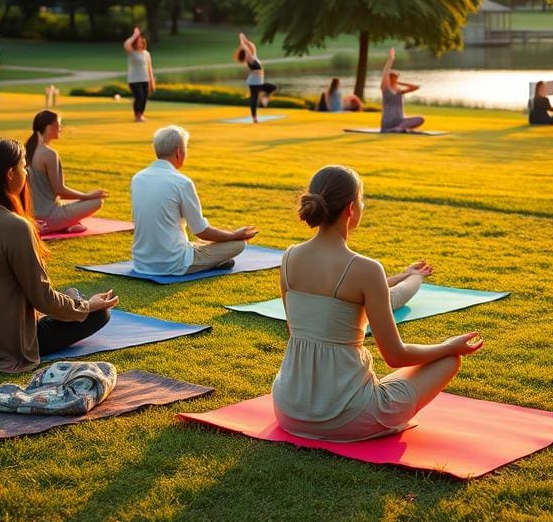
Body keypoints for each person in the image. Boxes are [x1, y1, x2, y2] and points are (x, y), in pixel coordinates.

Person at [272, 165, 483, 442]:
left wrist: (407, 276)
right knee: (447, 361)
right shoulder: (367, 269)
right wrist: (448, 346)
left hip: (289, 410)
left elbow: (296, 333)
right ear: (350, 208)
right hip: (345, 417)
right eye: (361, 199)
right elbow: (396, 356)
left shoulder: (289, 257)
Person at [0, 137, 118, 373]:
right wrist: (86, 306)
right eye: (23, 166)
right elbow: (42, 298)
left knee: (75, 301)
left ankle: (75, 298)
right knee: (100, 313)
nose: (26, 173)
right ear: (9, 173)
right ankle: (79, 299)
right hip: (7, 344)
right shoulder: (14, 226)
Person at [131, 125, 257, 276]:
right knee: (239, 245)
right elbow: (201, 231)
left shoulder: (137, 178)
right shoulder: (182, 182)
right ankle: (214, 262)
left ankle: (212, 257)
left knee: (201, 244)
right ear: (179, 152)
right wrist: (235, 235)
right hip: (172, 263)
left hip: (141, 262)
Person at [25, 109, 108, 233]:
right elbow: (60, 191)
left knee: (77, 201)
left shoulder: (25, 149)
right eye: (59, 125)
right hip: (48, 219)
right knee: (97, 201)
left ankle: (68, 224)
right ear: (50, 127)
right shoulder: (49, 154)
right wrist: (87, 196)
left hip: (30, 217)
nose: (61, 128)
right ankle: (66, 224)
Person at [236, 32, 277, 123]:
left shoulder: (254, 57)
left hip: (257, 81)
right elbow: (244, 47)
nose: (251, 48)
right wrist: (242, 37)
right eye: (250, 48)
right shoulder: (249, 59)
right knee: (254, 99)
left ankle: (264, 97)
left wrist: (246, 40)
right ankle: (255, 118)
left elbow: (250, 46)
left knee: (271, 88)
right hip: (254, 82)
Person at [380, 48, 424, 132]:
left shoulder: (399, 91)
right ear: (389, 79)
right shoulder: (385, 88)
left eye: (396, 78)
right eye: (394, 78)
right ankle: (397, 128)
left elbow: (415, 87)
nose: (395, 79)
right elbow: (385, 73)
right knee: (408, 124)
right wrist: (391, 59)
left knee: (421, 119)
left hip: (400, 120)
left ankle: (398, 128)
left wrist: (399, 83)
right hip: (388, 121)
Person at [123, 27, 156, 122]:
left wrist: (152, 81)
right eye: (138, 42)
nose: (140, 43)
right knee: (139, 97)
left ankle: (141, 115)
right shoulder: (132, 53)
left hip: (145, 79)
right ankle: (137, 116)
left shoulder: (146, 54)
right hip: (134, 80)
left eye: (141, 42)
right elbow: (126, 44)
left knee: (144, 98)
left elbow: (149, 68)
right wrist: (134, 35)